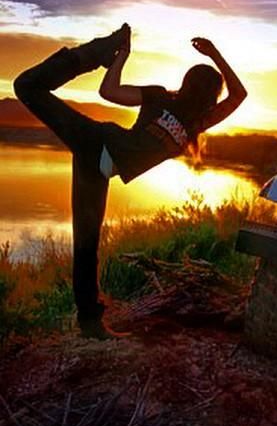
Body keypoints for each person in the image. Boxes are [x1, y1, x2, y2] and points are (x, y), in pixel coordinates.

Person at [13, 25, 247, 339]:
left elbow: (240, 95)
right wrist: (119, 56)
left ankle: (91, 323)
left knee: (86, 245)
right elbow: (108, 93)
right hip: (96, 142)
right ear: (209, 93)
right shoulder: (159, 96)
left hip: (99, 169)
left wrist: (214, 53)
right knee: (26, 86)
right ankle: (95, 52)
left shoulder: (197, 124)